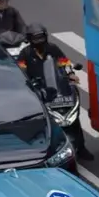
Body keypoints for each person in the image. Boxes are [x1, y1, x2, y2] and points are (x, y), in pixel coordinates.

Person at [17, 24, 94, 161]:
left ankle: (81, 148)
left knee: (74, 119)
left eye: (41, 38)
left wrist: (70, 74)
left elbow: (65, 63)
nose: (39, 41)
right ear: (29, 39)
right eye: (36, 39)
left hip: (56, 87)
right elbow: (21, 70)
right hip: (38, 90)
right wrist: (27, 82)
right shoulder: (25, 53)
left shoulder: (53, 49)